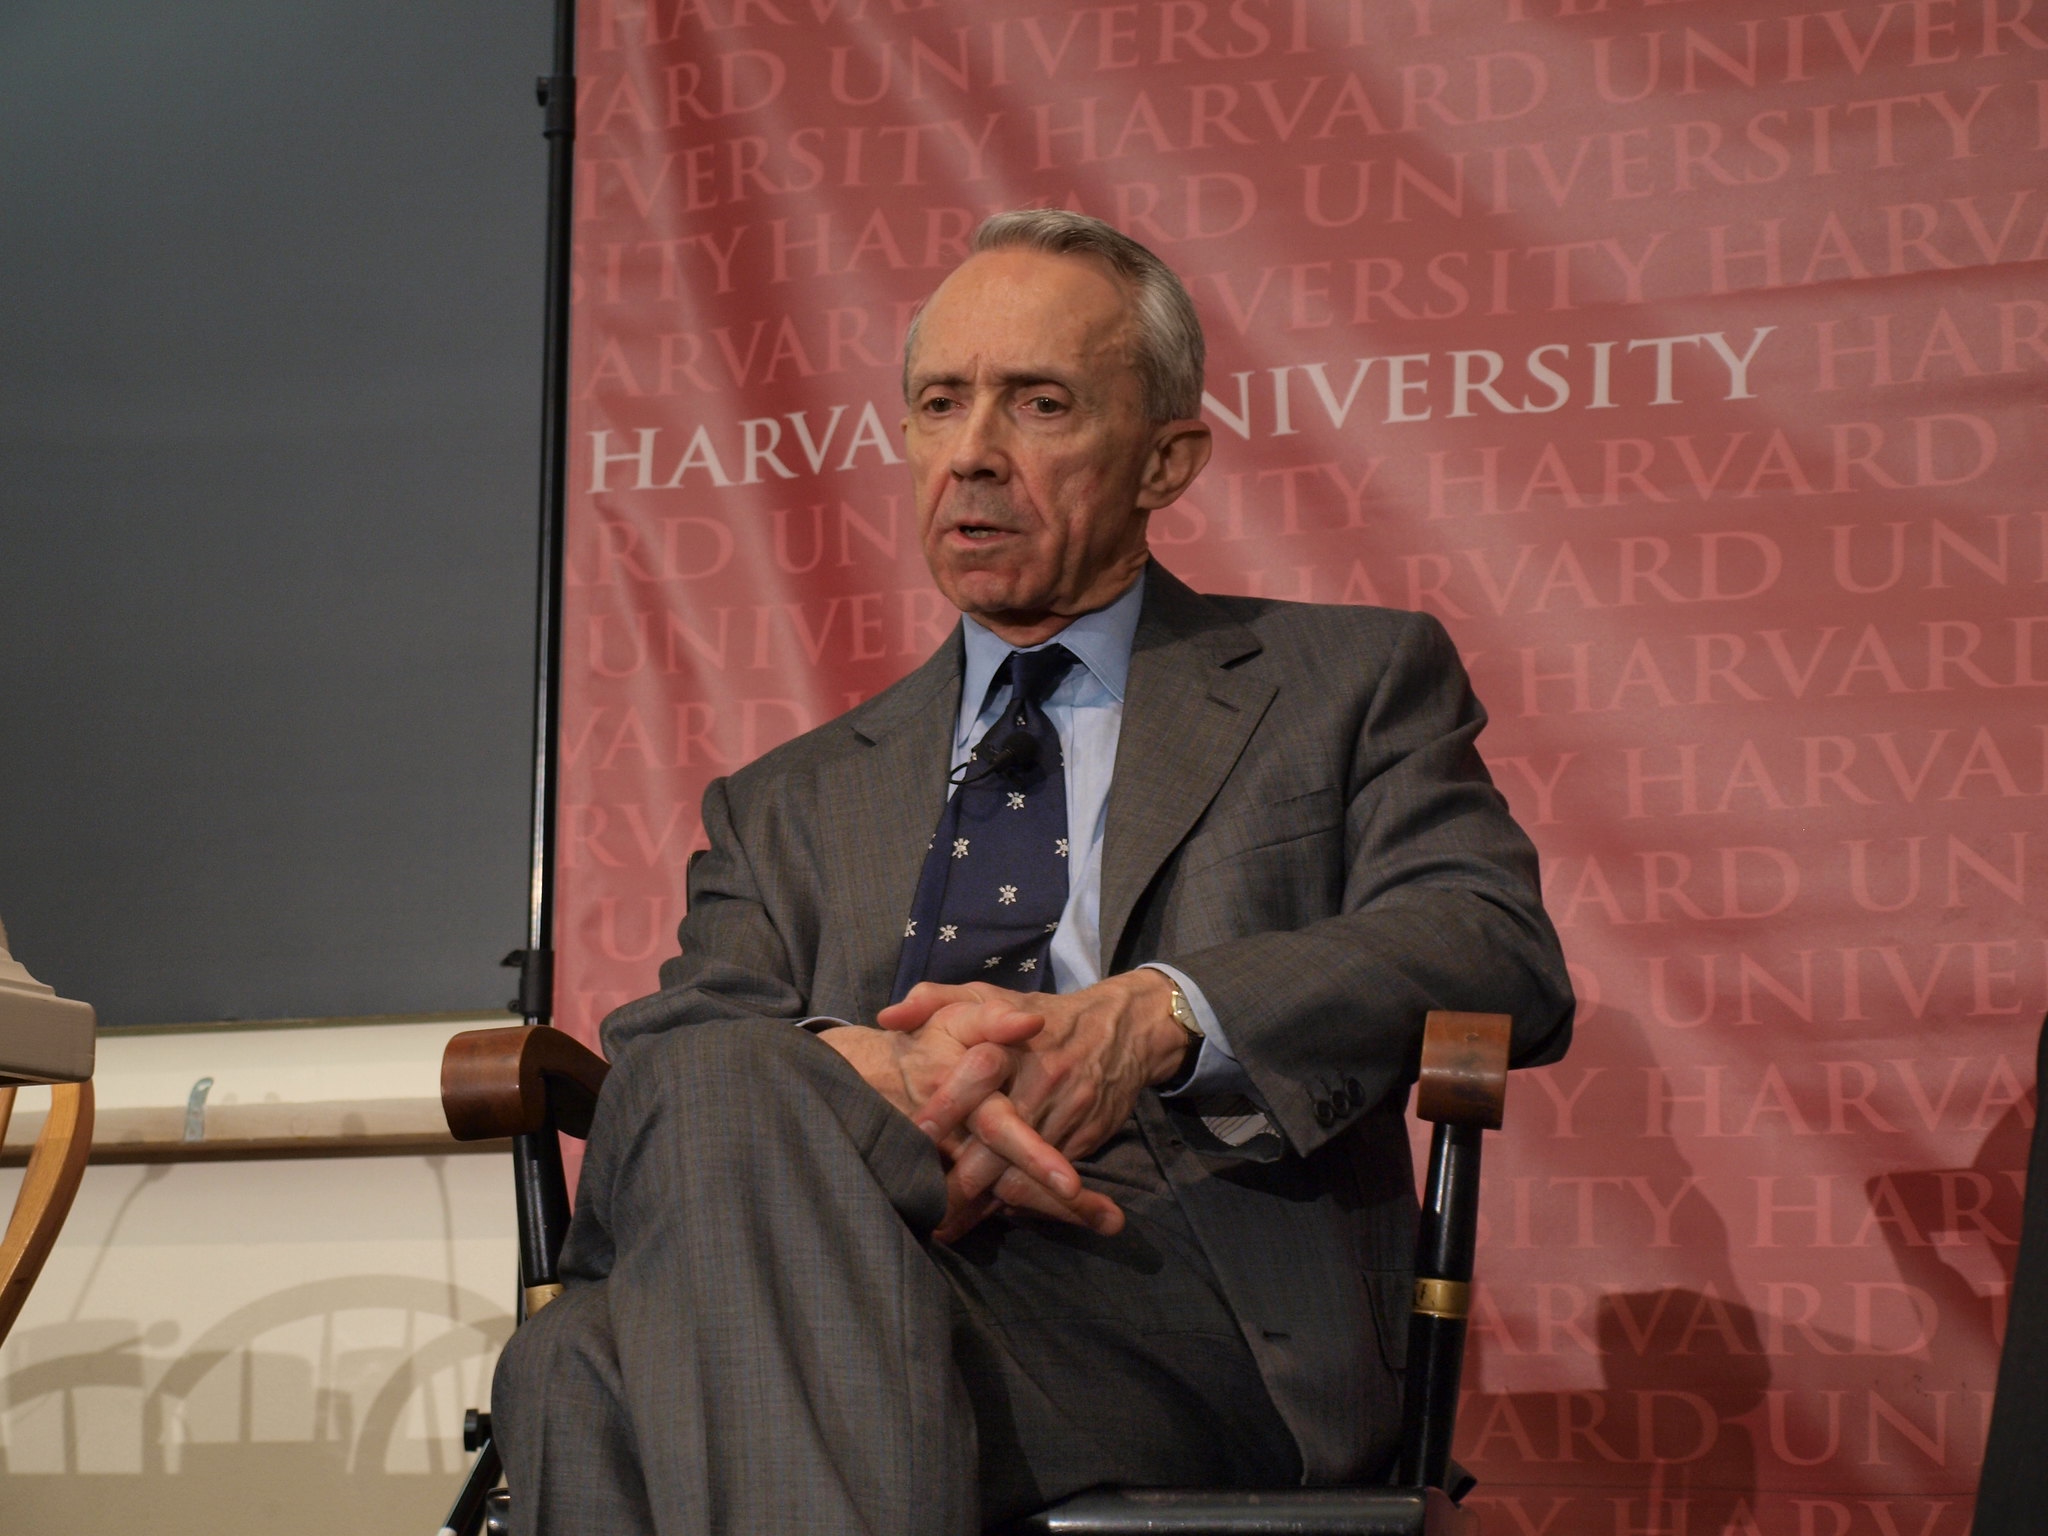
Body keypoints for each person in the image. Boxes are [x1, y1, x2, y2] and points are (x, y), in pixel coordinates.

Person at [494, 209, 1574, 1535]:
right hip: (858, 1256)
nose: (971, 459)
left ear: (1166, 459)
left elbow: (1491, 942)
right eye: (938, 406)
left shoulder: (1342, 683)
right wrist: (870, 1073)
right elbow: (674, 1065)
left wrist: (1158, 1012)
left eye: (1039, 406)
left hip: (1190, 1304)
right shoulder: (790, 797)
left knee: (586, 1368)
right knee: (611, 1289)